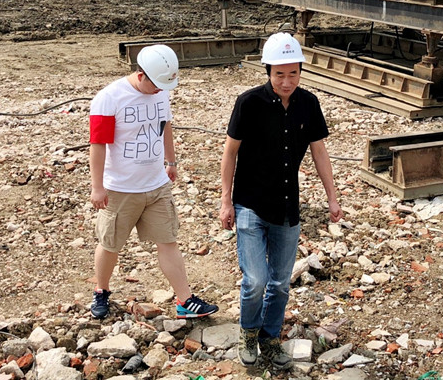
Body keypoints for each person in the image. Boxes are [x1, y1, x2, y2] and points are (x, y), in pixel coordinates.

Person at [220, 32, 343, 370]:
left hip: (287, 207)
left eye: (293, 74)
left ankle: (270, 338)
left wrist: (332, 198)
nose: (286, 82)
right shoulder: (248, 103)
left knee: (279, 283)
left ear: (301, 71)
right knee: (255, 280)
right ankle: (248, 333)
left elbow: (320, 153)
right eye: (279, 74)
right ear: (268, 71)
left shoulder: (308, 104)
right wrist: (225, 201)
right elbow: (230, 153)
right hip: (249, 204)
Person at [88, 44, 218, 321]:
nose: (160, 90)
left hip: (156, 185)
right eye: (156, 85)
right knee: (110, 244)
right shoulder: (109, 98)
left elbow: (165, 125)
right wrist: (97, 187)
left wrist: (171, 161)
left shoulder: (161, 92)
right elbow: (98, 144)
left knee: (168, 241)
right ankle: (101, 291)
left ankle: (185, 300)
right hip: (121, 189)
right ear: (140, 75)